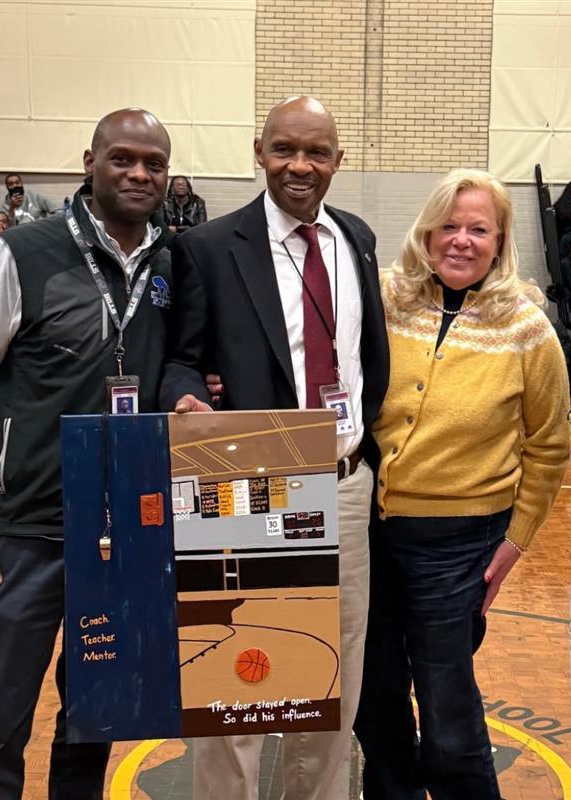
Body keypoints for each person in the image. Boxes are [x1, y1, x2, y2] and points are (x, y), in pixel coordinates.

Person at [159, 95, 389, 800]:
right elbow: (178, 359)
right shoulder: (206, 247)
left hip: (344, 481)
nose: (300, 165)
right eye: (284, 149)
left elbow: (365, 360)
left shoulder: (357, 238)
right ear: (258, 152)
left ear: (337, 162)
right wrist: (187, 396)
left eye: (316, 152)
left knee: (331, 682)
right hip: (244, 481)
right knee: (237, 677)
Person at [353, 169, 571, 799]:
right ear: (425, 231)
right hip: (368, 531)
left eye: (479, 228)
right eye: (448, 225)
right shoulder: (384, 296)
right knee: (376, 692)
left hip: (459, 544)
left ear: (501, 241)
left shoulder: (528, 330)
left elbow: (549, 445)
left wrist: (518, 540)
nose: (461, 240)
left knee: (447, 702)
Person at [0, 108, 172, 800]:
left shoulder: (173, 262)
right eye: (122, 158)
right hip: (24, 529)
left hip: (124, 531)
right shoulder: (21, 254)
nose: (138, 173)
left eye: (153, 162)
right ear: (87, 162)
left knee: (95, 713)